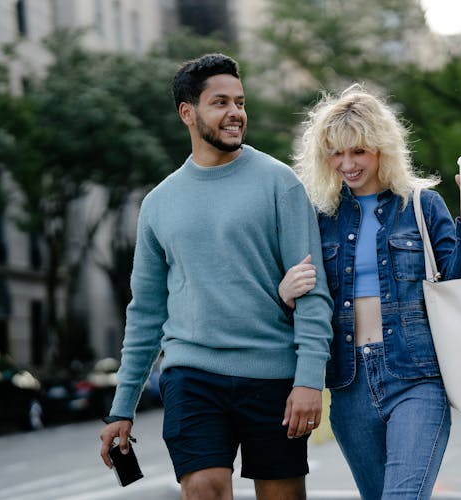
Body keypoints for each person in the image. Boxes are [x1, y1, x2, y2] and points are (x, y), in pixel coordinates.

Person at [98, 53, 334, 500]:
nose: (235, 114)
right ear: (187, 112)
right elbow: (146, 311)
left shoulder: (279, 184)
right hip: (193, 373)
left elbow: (313, 291)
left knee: (282, 494)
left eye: (240, 102)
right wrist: (121, 408)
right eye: (220, 102)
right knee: (203, 488)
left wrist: (308, 379)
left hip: (272, 374)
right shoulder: (159, 203)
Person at [278, 85, 461, 499]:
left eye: (358, 151)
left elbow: (458, 288)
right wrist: (285, 293)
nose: (347, 163)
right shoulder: (318, 218)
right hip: (348, 384)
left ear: (381, 149)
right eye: (337, 153)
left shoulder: (421, 205)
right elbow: (304, 307)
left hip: (416, 376)